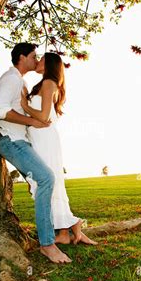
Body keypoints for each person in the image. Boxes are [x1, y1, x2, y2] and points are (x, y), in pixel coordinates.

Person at [0, 43, 72, 263]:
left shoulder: (21, 82)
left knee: (46, 178)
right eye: (33, 56)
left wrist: (30, 117)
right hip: (12, 141)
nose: (37, 60)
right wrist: (31, 120)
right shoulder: (11, 80)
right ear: (22, 57)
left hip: (22, 142)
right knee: (47, 178)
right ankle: (48, 244)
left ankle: (61, 231)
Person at [21, 52, 98, 246]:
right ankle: (64, 231)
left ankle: (70, 225)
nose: (37, 61)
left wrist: (24, 105)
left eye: (41, 59)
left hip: (45, 139)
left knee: (49, 181)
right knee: (49, 181)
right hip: (39, 138)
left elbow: (44, 116)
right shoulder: (43, 84)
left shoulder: (49, 83)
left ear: (49, 64)